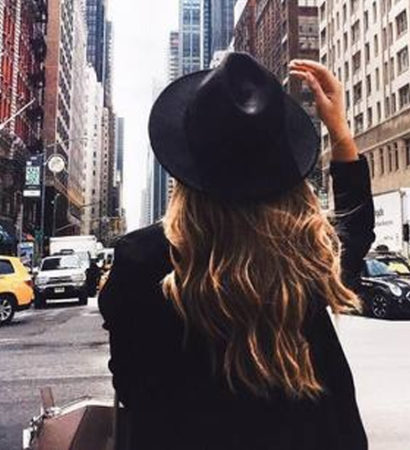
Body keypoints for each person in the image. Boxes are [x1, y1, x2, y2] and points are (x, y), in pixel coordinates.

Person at [99, 53, 375, 449]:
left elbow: (130, 383)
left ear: (186, 164)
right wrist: (340, 134)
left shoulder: (141, 261)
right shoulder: (303, 254)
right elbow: (355, 230)